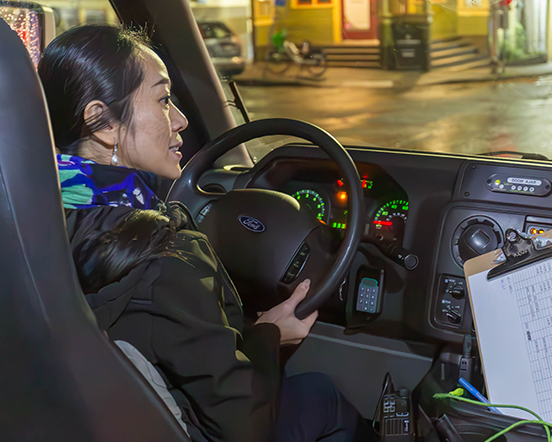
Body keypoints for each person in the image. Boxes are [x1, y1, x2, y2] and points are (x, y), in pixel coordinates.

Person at [38, 25, 372, 442]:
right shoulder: (168, 254)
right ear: (102, 122)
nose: (180, 119)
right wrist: (270, 335)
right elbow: (242, 425)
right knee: (320, 395)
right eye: (162, 100)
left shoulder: (27, 217)